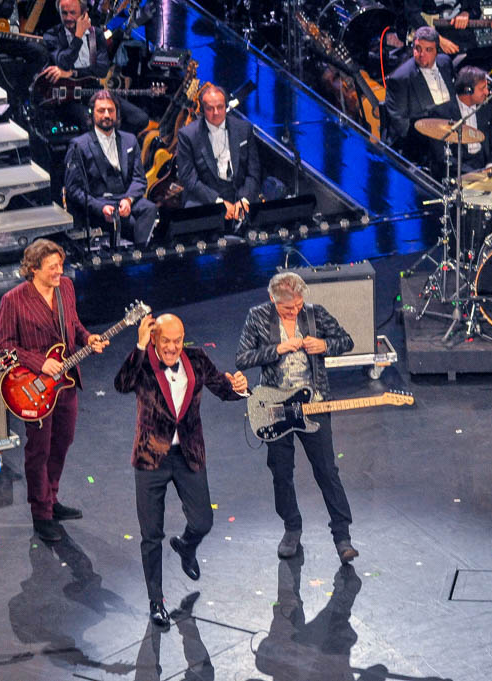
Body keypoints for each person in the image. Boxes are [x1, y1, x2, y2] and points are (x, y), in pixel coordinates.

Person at [113, 313, 248, 628]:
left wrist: (240, 387)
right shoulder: (143, 361)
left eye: (177, 341)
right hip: (151, 458)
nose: (172, 347)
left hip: (188, 454)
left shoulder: (196, 359)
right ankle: (156, 600)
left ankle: (186, 546)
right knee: (151, 535)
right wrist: (139, 346)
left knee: (203, 521)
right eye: (166, 341)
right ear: (155, 339)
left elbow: (223, 388)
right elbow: (121, 384)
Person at [236, 272, 358, 563]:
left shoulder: (315, 314)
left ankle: (342, 536)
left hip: (313, 404)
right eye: (287, 308)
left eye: (298, 305)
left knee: (326, 470)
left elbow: (347, 341)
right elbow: (242, 358)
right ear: (272, 299)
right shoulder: (258, 316)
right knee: (281, 472)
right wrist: (276, 349)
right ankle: (292, 528)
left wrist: (325, 346)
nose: (295, 311)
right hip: (275, 407)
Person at [0, 239, 108, 543]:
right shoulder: (13, 300)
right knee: (39, 450)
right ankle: (41, 513)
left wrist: (88, 338)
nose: (60, 271)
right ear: (33, 269)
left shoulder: (66, 287)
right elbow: (6, 348)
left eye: (61, 264)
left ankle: (51, 498)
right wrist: (39, 363)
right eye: (52, 267)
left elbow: (74, 325)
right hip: (34, 387)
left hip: (66, 382)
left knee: (62, 441)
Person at [64, 90, 157, 246]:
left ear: (117, 113)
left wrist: (128, 199)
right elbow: (73, 189)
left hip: (124, 198)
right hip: (99, 202)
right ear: (92, 114)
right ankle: (134, 253)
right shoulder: (79, 145)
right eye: (101, 111)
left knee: (150, 209)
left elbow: (139, 179)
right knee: (132, 224)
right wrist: (101, 207)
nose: (107, 115)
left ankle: (141, 252)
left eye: (110, 110)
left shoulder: (130, 140)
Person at [41, 0, 149, 133]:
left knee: (140, 118)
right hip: (66, 97)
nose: (68, 18)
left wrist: (73, 73)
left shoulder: (95, 35)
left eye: (72, 13)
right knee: (94, 122)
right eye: (64, 13)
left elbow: (101, 69)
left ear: (83, 14)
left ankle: (115, 141)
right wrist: (78, 36)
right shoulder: (52, 35)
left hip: (91, 90)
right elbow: (63, 62)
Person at [176, 84, 261, 222]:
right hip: (205, 196)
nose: (216, 112)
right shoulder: (187, 135)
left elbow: (254, 172)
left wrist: (244, 199)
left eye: (220, 107)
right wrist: (218, 202)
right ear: (202, 109)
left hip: (238, 193)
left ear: (226, 106)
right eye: (210, 108)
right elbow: (189, 178)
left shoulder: (244, 129)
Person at [383, 26, 458, 163]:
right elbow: (401, 126)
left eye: (428, 50)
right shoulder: (400, 79)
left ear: (437, 51)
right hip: (421, 146)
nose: (421, 54)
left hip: (452, 133)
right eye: (418, 49)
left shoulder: (445, 62)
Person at [452, 65, 492, 172]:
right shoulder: (444, 112)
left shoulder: (486, 109)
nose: (487, 92)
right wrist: (475, 174)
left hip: (484, 165)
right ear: (468, 90)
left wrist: (491, 165)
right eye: (482, 88)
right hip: (460, 171)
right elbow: (443, 157)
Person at [403, 0, 479, 56]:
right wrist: (437, 39)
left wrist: (467, 13)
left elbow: (475, 9)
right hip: (426, 36)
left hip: (461, 37)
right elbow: (412, 13)